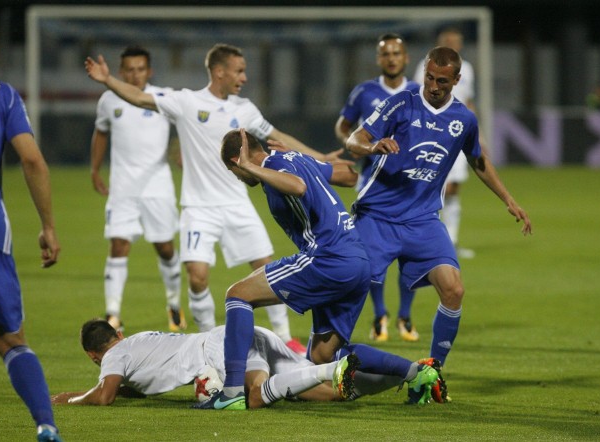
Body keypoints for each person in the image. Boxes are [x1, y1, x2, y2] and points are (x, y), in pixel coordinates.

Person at [84, 43, 346, 354]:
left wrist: (321, 157)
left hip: (237, 202)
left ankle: (285, 336)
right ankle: (208, 344)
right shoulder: (186, 102)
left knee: (267, 266)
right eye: (239, 71)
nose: (244, 77)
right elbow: (140, 97)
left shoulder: (244, 109)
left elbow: (279, 137)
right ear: (219, 72)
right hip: (198, 207)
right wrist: (108, 80)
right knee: (197, 278)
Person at [193, 128, 445, 411]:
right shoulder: (292, 159)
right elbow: (349, 176)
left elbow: (298, 186)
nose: (238, 177)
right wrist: (307, 159)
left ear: (237, 160)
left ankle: (231, 394)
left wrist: (255, 166)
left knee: (238, 294)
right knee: (323, 355)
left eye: (234, 170)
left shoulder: (271, 165)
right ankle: (418, 372)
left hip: (328, 258)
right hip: (357, 260)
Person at [347, 46, 532, 371]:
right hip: (377, 217)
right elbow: (354, 139)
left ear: (456, 80)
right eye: (429, 78)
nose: (433, 86)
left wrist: (509, 199)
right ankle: (321, 362)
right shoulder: (402, 103)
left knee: (453, 289)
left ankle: (432, 372)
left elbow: (478, 160)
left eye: (442, 81)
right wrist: (373, 145)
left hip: (422, 221)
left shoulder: (463, 119)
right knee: (348, 289)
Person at [0, 11, 63, 442]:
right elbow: (31, 159)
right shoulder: (2, 95)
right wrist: (48, 226)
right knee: (10, 339)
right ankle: (45, 424)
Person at [50, 318, 421, 409]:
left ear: (94, 354)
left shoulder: (113, 356)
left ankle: (329, 369)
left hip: (219, 348)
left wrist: (72, 399)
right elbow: (133, 388)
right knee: (330, 395)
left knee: (256, 397)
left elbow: (106, 396)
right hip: (238, 332)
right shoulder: (137, 341)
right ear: (117, 332)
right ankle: (412, 374)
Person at [90, 45, 184, 333]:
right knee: (118, 245)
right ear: (120, 72)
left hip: (157, 186)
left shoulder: (162, 97)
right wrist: (94, 169)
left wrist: (180, 151)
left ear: (149, 71)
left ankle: (173, 304)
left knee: (165, 248)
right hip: (123, 187)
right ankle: (113, 313)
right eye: (129, 69)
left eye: (140, 69)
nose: (134, 74)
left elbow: (185, 126)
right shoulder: (108, 100)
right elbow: (101, 133)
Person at [335, 33, 420, 343]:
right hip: (374, 186)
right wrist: (353, 145)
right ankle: (380, 314)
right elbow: (344, 126)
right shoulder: (365, 92)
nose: (392, 58)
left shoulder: (419, 92)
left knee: (411, 257)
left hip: (412, 187)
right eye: (386, 54)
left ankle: (406, 315)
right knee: (373, 258)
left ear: (406, 57)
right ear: (379, 59)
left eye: (397, 53)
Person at [414, 27, 478, 259]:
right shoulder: (426, 64)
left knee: (453, 189)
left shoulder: (466, 69)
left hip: (458, 133)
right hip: (432, 135)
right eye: (448, 41)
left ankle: (450, 241)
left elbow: (469, 101)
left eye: (456, 41)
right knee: (437, 187)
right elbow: (416, 97)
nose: (453, 44)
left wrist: (478, 134)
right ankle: (430, 238)